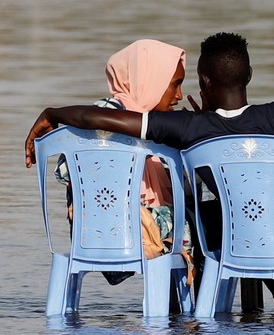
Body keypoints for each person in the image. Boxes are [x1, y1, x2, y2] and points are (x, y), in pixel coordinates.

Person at [26, 32, 274, 318]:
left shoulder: (189, 129)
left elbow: (101, 117)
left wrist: (53, 114)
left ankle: (262, 310)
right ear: (249, 76)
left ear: (205, 82)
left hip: (243, 242)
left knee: (224, 214)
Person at [55, 39, 191, 283]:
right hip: (130, 232)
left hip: (87, 235)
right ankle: (188, 315)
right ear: (151, 81)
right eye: (175, 85)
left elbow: (65, 169)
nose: (179, 95)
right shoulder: (120, 120)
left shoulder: (94, 115)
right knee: (205, 222)